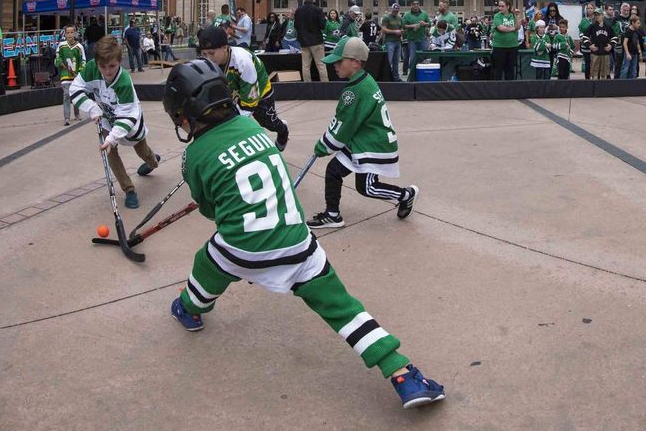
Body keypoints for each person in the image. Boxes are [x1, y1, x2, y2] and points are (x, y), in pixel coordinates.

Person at [160, 60, 445, 409]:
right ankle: (403, 373)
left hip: (242, 248)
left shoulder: (193, 156)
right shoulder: (254, 130)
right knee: (343, 308)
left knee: (208, 262)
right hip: (298, 242)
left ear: (184, 115)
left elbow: (210, 211)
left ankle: (190, 308)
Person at [306, 36, 419, 229]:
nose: (335, 65)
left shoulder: (354, 92)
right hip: (364, 138)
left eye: (339, 61)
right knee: (334, 170)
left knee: (367, 187)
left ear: (355, 63)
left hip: (373, 143)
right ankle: (332, 215)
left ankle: (406, 195)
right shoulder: (362, 81)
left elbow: (343, 126)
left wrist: (323, 146)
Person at [69, 36, 161, 209]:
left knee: (143, 152)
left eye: (112, 66)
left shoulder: (124, 82)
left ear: (119, 61)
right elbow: (75, 88)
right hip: (106, 120)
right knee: (110, 154)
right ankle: (129, 190)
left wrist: (113, 138)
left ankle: (152, 162)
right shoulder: (91, 69)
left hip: (129, 123)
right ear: (96, 63)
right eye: (102, 66)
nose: (107, 71)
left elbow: (126, 116)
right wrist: (91, 107)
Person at [196, 26, 290, 151]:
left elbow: (249, 101)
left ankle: (283, 129)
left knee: (267, 122)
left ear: (225, 48)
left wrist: (235, 123)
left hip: (258, 91)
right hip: (233, 90)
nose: (207, 58)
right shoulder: (207, 63)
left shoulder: (242, 61)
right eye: (203, 54)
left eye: (211, 53)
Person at [56, 25, 86, 126]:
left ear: (75, 33)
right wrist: (60, 62)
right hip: (65, 75)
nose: (69, 34)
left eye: (71, 32)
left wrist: (80, 72)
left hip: (76, 76)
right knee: (66, 95)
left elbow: (83, 61)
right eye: (67, 33)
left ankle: (77, 114)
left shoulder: (79, 47)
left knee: (76, 95)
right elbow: (57, 58)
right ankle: (67, 118)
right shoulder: (61, 46)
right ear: (65, 34)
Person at [294, 0, 328, 82]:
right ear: (313, 0)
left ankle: (307, 85)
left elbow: (296, 26)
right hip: (316, 41)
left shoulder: (298, 10)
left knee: (305, 66)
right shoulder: (318, 9)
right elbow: (322, 26)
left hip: (304, 42)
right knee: (321, 65)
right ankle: (325, 85)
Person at [491, 0, 521, 80]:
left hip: (512, 46)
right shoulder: (497, 16)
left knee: (510, 69)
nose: (500, 8)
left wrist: (517, 16)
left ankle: (509, 89)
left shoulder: (513, 15)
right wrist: (513, 28)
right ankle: (498, 89)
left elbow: (518, 27)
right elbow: (501, 28)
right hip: (499, 46)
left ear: (508, 7)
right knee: (498, 69)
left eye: (502, 6)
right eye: (499, 6)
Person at [401, 0, 430, 79]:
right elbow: (403, 26)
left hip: (423, 38)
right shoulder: (407, 14)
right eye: (414, 4)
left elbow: (429, 23)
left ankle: (424, 74)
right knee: (413, 57)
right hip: (412, 39)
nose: (416, 5)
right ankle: (413, 75)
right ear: (411, 5)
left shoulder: (424, 13)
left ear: (419, 5)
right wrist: (412, 26)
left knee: (424, 56)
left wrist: (424, 24)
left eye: (417, 4)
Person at [380, 3, 405, 81]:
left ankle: (396, 77)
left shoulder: (400, 18)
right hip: (389, 41)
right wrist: (395, 31)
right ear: (391, 10)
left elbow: (402, 28)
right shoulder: (386, 18)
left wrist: (402, 31)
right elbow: (383, 29)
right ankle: (385, 77)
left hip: (398, 41)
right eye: (394, 11)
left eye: (397, 11)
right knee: (389, 61)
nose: (395, 12)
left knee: (396, 61)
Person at [585, 10, 612, 80]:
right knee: (594, 74)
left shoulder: (608, 27)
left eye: (598, 15)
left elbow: (615, 37)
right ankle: (594, 90)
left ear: (603, 15)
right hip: (595, 54)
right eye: (595, 15)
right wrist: (589, 45)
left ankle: (603, 90)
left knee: (605, 74)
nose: (596, 16)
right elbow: (584, 37)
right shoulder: (592, 26)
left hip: (605, 53)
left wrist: (611, 45)